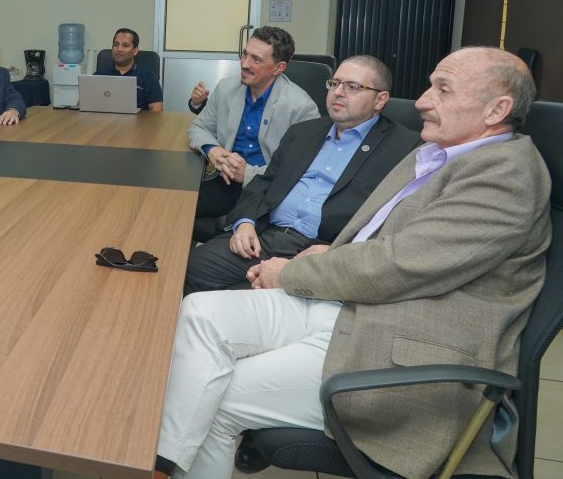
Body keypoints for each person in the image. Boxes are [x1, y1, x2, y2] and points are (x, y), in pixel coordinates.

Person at [154, 47, 549, 479]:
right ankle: (160, 462)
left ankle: (161, 465)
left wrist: (291, 272)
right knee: (199, 312)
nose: (422, 101)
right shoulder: (439, 154)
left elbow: (399, 265)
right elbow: (396, 241)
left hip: (395, 347)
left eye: (443, 89)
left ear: (497, 110)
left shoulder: (504, 176)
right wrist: (329, 255)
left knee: (213, 397)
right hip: (352, 307)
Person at [184, 56, 420, 295]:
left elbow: (398, 220)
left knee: (250, 297)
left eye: (352, 87)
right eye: (335, 83)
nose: (338, 92)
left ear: (380, 100)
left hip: (323, 252)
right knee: (188, 269)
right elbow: (264, 182)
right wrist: (245, 223)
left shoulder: (405, 148)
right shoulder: (303, 131)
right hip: (265, 236)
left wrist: (337, 252)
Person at [187, 26, 319, 221]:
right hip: (226, 182)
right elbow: (198, 128)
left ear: (279, 68)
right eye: (245, 54)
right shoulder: (226, 88)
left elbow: (300, 167)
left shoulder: (302, 107)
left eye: (256, 59)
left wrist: (247, 174)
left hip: (269, 189)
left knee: (237, 228)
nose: (244, 64)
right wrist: (213, 150)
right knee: (175, 205)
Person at [94, 28, 163, 111]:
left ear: (135, 51)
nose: (119, 49)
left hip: (138, 119)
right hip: (104, 118)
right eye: (116, 44)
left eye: (125, 45)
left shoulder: (149, 78)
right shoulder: (99, 75)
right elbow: (85, 103)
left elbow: (156, 110)